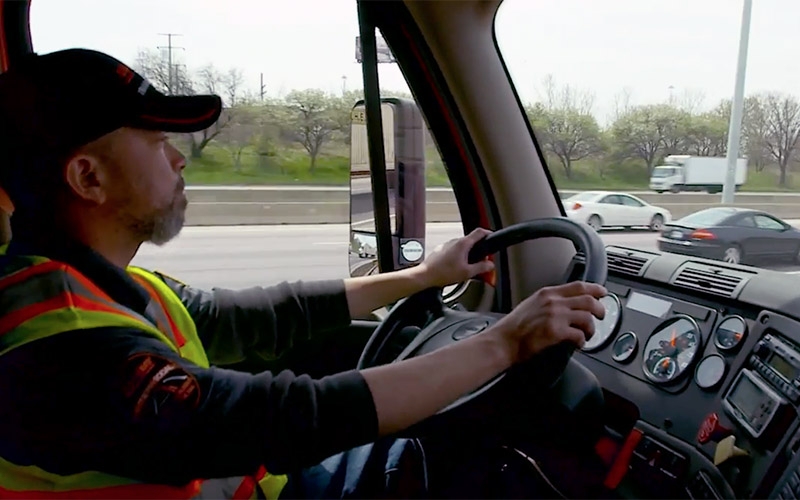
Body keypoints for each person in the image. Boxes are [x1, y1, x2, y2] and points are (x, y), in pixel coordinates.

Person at [0, 48, 606, 499]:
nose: (179, 157)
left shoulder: (98, 286)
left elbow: (267, 313)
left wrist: (424, 276)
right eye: (156, 142)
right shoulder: (59, 344)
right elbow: (280, 419)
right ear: (88, 178)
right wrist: (506, 340)